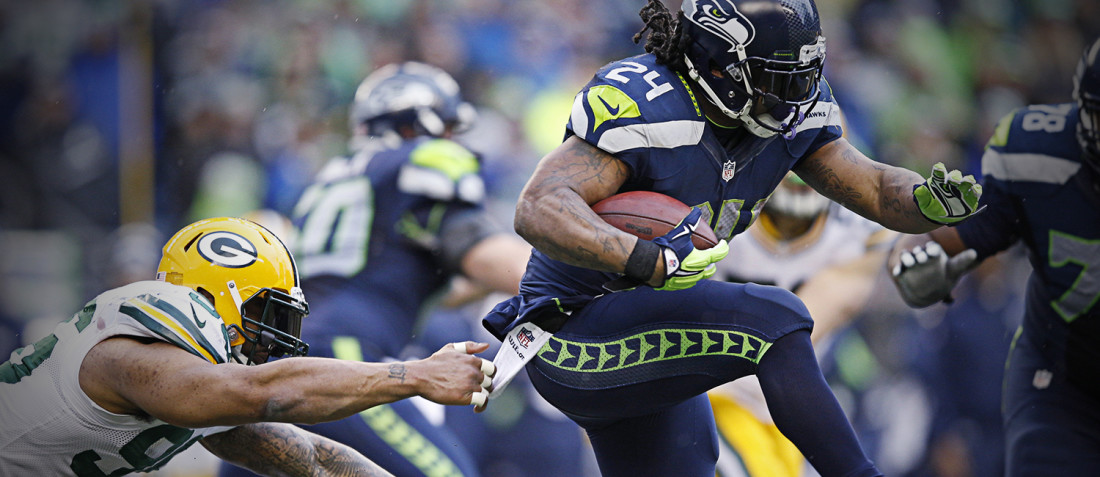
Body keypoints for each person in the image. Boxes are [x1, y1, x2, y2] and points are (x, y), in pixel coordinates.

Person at [479, 1, 983, 476]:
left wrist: (924, 203)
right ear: (719, 63)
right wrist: (648, 260)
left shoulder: (788, 119)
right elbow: (538, 207)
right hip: (570, 332)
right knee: (776, 319)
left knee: (693, 461)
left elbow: (872, 185)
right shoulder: (651, 106)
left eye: (801, 77)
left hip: (648, 338)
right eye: (776, 77)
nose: (793, 96)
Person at [221, 61, 532, 477]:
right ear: (415, 126)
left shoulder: (330, 178)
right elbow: (476, 250)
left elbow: (389, 277)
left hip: (279, 365)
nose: (452, 139)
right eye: (447, 128)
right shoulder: (418, 162)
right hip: (347, 356)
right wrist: (572, 278)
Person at [0, 217, 496, 476]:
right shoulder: (148, 333)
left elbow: (315, 462)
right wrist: (414, 376)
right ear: (216, 292)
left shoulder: (202, 383)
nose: (274, 333)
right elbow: (262, 393)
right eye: (267, 312)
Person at [889, 37, 1100, 476]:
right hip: (968, 431)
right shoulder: (958, 312)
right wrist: (947, 435)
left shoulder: (1021, 301)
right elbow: (933, 377)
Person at [708, 172, 896, 476]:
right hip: (708, 393)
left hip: (785, 409)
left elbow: (788, 333)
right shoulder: (715, 203)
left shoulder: (857, 234)